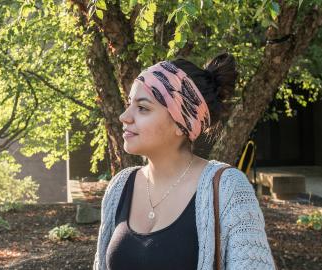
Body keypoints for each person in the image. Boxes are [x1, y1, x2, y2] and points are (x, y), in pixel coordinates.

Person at [94, 53, 275, 270]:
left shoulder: (228, 189)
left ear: (181, 124)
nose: (125, 116)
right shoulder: (120, 187)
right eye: (129, 104)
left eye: (142, 108)